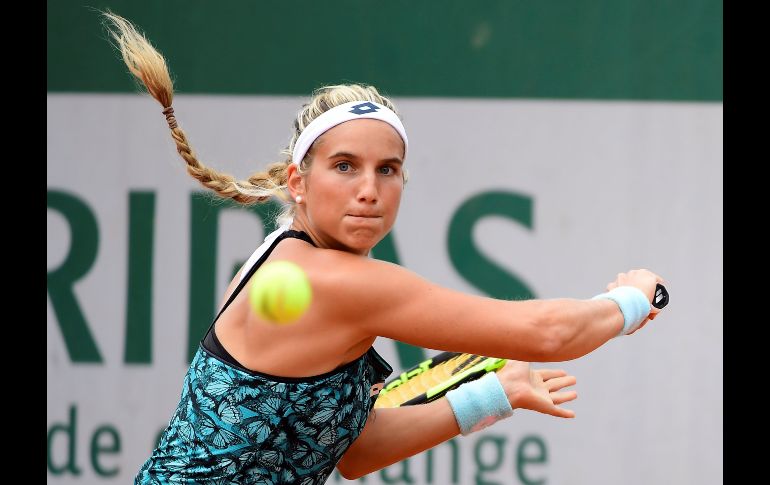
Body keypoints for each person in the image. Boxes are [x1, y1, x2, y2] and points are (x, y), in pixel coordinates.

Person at [102, 12, 666, 485]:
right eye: (345, 167)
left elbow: (355, 450)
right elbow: (549, 333)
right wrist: (631, 301)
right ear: (298, 181)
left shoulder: (280, 256)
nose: (369, 189)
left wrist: (500, 391)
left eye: (387, 169)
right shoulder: (342, 283)